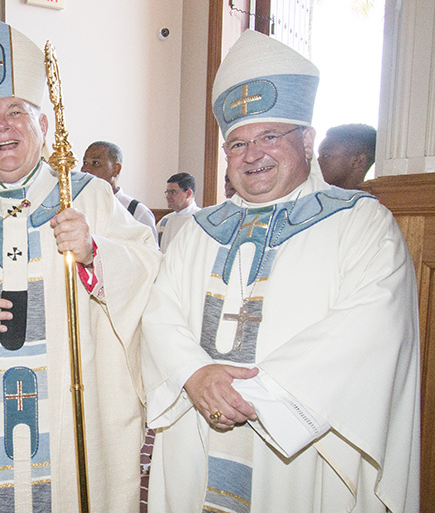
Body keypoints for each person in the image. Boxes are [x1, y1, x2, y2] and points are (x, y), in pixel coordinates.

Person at [141, 30, 419, 513]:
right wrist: (195, 374)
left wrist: (256, 397)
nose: (252, 155)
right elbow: (160, 313)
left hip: (303, 441)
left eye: (270, 136)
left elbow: (372, 326)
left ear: (308, 140)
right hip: (199, 424)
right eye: (237, 143)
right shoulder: (198, 230)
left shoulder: (361, 222)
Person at [0, 17, 161, 512]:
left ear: (43, 126)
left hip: (74, 420)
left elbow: (149, 271)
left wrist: (96, 252)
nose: (1, 126)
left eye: (15, 112)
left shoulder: (88, 196)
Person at [82, 141, 158, 240]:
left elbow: (150, 253)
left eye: (95, 163)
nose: (86, 169)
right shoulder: (81, 206)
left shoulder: (137, 212)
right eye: (85, 163)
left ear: (116, 169)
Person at [317, 123, 376, 189]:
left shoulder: (370, 199)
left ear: (357, 161)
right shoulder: (312, 196)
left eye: (325, 156)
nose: (317, 163)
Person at [156, 172, 200, 252]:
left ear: (188, 193)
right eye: (167, 192)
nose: (168, 197)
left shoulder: (200, 221)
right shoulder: (165, 221)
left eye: (173, 192)